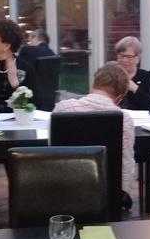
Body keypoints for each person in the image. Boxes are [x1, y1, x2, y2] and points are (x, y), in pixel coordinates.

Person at [53, 62, 138, 209]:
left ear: (94, 84)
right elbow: (126, 162)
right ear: (119, 99)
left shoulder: (63, 108)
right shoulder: (124, 119)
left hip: (65, 188)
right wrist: (123, 192)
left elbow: (52, 149)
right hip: (108, 193)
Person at [114, 36, 150, 111]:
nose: (124, 60)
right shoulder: (110, 75)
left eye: (129, 56)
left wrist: (135, 88)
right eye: (121, 56)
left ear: (137, 58)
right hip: (116, 115)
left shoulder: (146, 76)